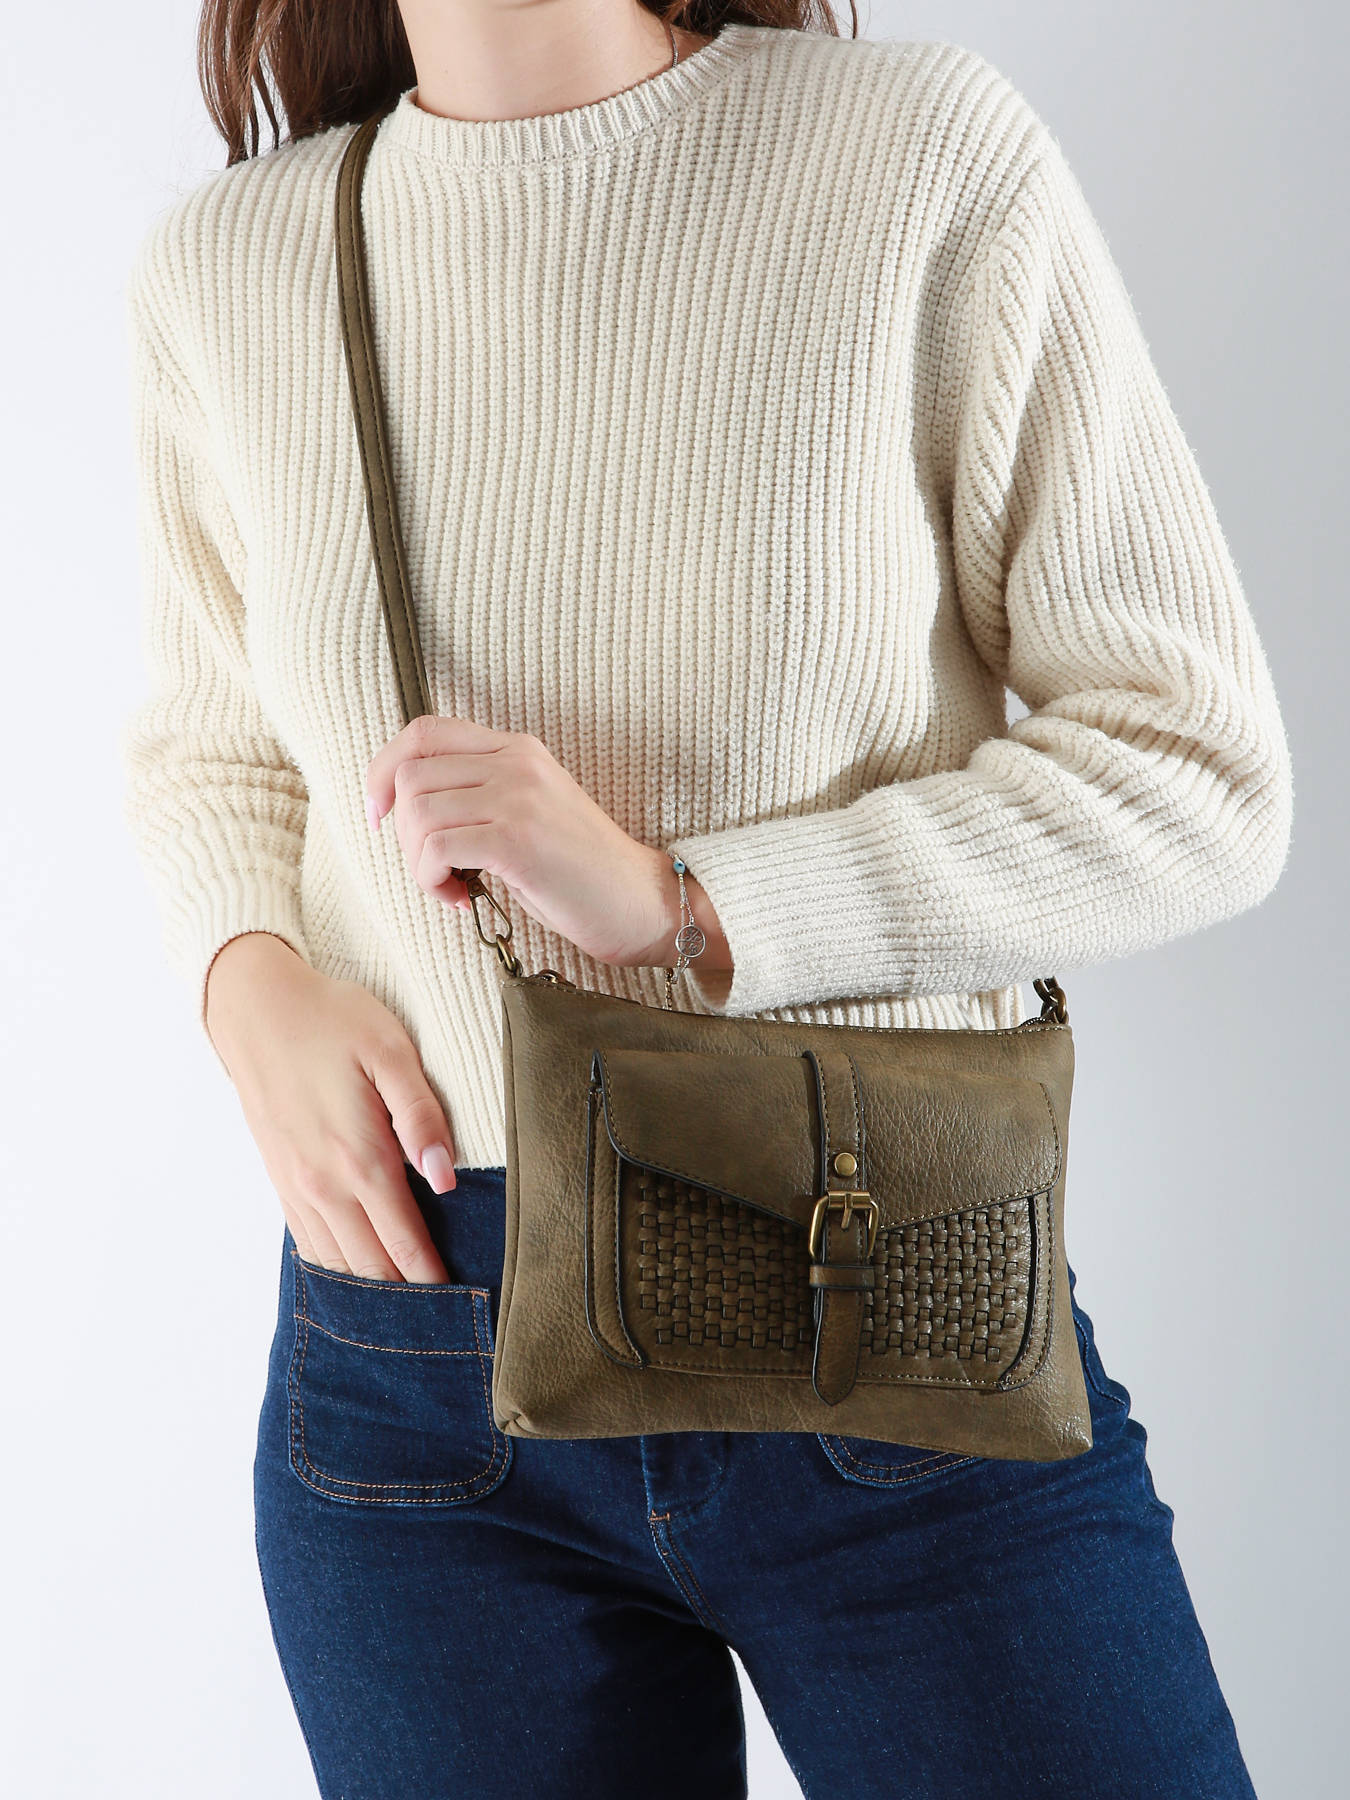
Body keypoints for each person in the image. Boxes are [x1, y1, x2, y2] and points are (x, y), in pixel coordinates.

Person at [121, 4, 1290, 1795]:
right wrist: (247, 982)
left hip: (879, 1309)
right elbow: (212, 751)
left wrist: (691, 902)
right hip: (420, 1352)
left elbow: (1194, 770)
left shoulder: (908, 156)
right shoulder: (233, 267)